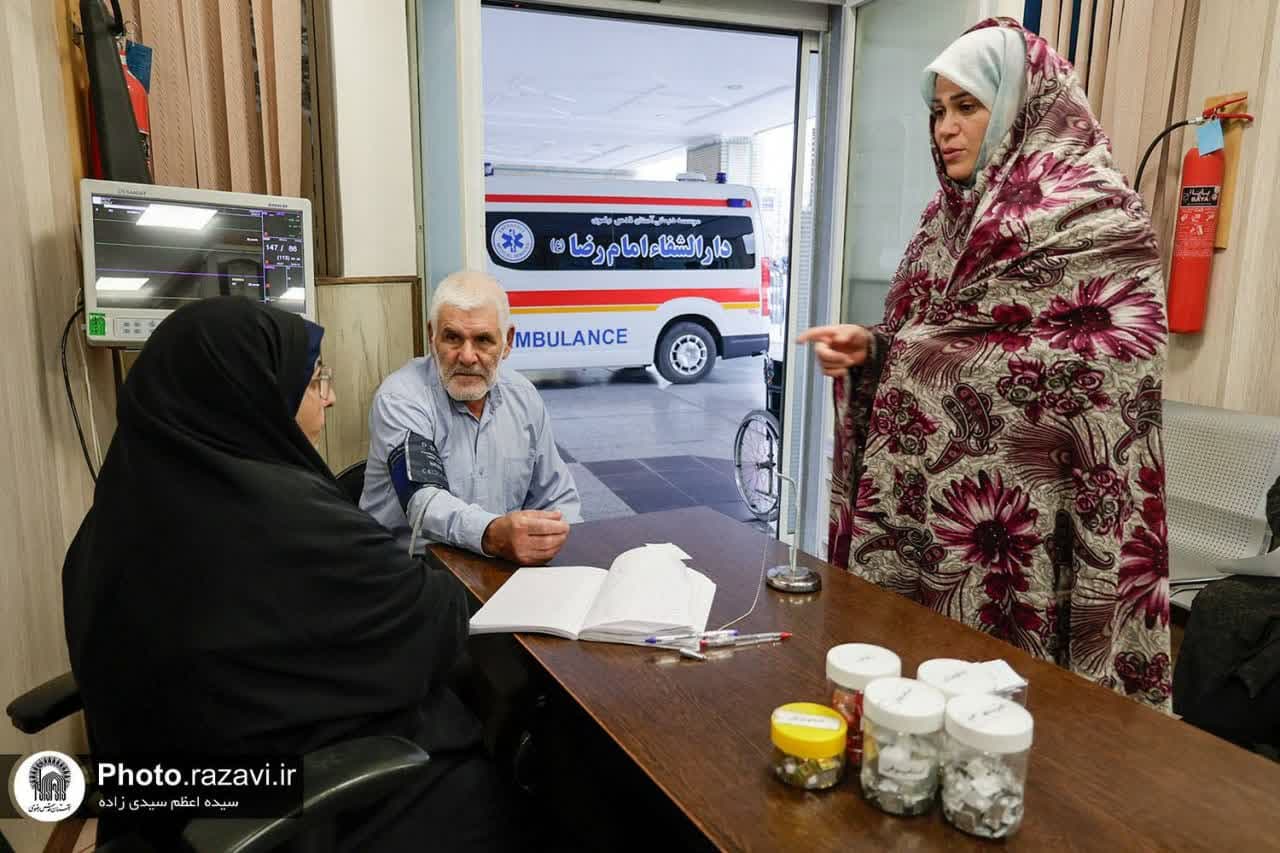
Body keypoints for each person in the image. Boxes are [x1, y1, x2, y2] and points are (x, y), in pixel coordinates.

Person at [800, 18, 1172, 709]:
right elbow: (929, 341)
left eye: (967, 105)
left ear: (1026, 105)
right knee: (909, 711)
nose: (945, 127)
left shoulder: (1099, 225)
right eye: (938, 110)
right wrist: (874, 352)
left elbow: (1115, 375)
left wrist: (921, 355)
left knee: (1010, 729)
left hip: (1032, 541)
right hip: (926, 524)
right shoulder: (941, 227)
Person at [62, 298, 519, 850]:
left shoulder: (108, 520)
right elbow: (430, 618)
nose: (328, 395)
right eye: (311, 380)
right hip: (295, 808)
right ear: (250, 396)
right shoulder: (279, 526)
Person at [361, 270, 581, 564]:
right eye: (453, 338)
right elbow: (423, 501)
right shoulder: (401, 398)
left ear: (508, 343)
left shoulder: (524, 397)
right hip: (410, 576)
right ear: (432, 335)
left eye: (483, 340)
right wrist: (492, 533)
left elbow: (556, 497)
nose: (466, 356)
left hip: (500, 571)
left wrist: (556, 544)